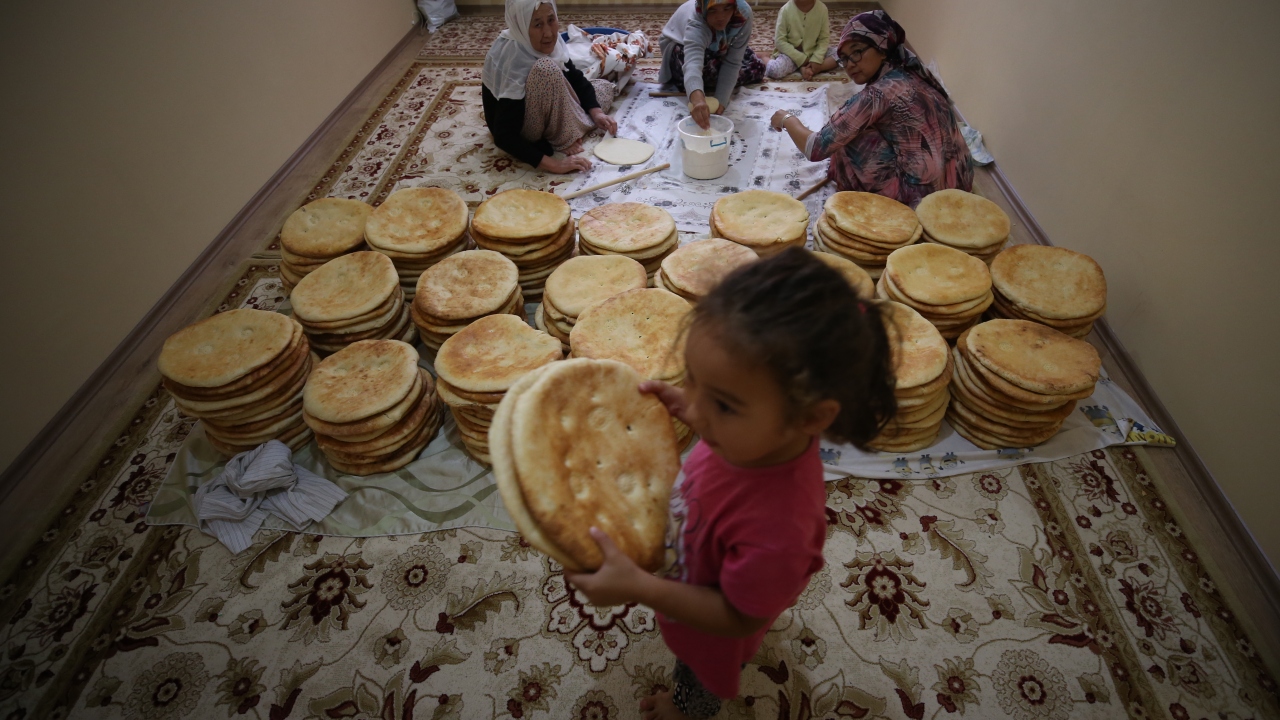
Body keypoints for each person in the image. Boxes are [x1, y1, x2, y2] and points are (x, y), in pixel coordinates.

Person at [566, 248, 898, 719]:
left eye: (721, 404)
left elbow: (739, 617)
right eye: (692, 380)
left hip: (713, 631)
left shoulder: (780, 528)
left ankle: (686, 710)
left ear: (810, 416)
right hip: (698, 554)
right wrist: (691, 401)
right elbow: (709, 408)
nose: (697, 412)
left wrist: (642, 588)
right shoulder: (747, 437)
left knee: (699, 677)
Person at [768, 10, 973, 206]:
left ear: (882, 48)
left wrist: (787, 119)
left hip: (921, 202)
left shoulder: (878, 94)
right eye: (845, 58)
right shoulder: (913, 73)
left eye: (857, 52)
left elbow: (816, 148)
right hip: (958, 188)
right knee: (855, 126)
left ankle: (876, 200)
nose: (850, 65)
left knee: (848, 136)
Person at [481, 0, 619, 174]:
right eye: (538, 25)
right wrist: (554, 164)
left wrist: (596, 111)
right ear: (521, 26)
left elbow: (574, 78)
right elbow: (504, 135)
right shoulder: (512, 56)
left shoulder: (552, 44)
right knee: (546, 68)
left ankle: (566, 129)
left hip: (548, 105)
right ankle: (563, 134)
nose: (548, 33)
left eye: (551, 20)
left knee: (604, 87)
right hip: (525, 127)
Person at [658, 0, 766, 129]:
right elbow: (692, 64)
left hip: (719, 46)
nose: (721, 17)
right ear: (704, 9)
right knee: (697, 79)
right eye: (713, 10)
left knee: (758, 68)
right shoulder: (696, 21)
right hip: (680, 47)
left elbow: (733, 62)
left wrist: (720, 101)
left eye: (727, 9)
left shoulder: (743, 14)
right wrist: (697, 100)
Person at [765, 0, 837, 81]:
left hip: (813, 52)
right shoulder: (785, 10)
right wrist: (801, 59)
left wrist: (816, 59)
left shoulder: (822, 9)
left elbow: (824, 39)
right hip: (791, 55)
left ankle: (814, 68)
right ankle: (764, 57)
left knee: (841, 53)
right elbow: (779, 41)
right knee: (775, 71)